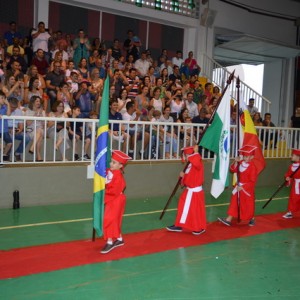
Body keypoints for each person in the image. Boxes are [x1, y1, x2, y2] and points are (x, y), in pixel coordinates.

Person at [166, 145, 206, 235]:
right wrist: (183, 177)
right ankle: (179, 224)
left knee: (194, 210)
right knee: (182, 206)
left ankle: (198, 227)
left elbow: (197, 163)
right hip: (189, 190)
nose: (187, 157)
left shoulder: (197, 162)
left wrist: (195, 153)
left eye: (188, 155)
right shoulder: (189, 166)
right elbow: (187, 180)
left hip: (195, 192)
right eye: (186, 155)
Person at [218, 145, 258, 227]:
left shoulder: (253, 167)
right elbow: (232, 170)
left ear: (252, 157)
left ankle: (251, 218)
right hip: (238, 186)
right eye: (244, 156)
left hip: (246, 189)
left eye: (247, 156)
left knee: (247, 205)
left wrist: (243, 187)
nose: (245, 158)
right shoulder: (240, 163)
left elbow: (252, 181)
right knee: (234, 202)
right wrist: (236, 162)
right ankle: (229, 219)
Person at [100, 150, 132, 254]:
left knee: (109, 219)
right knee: (114, 219)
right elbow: (105, 173)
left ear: (120, 165)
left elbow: (113, 191)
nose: (111, 164)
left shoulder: (118, 176)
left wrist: (102, 193)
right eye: (111, 161)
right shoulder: (111, 171)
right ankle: (119, 239)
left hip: (116, 199)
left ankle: (110, 242)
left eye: (114, 162)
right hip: (112, 199)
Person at [282, 149, 300, 219]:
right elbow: (288, 174)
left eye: (293, 155)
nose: (291, 156)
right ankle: (290, 212)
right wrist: (287, 178)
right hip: (296, 185)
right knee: (293, 199)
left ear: (298, 157)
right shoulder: (292, 166)